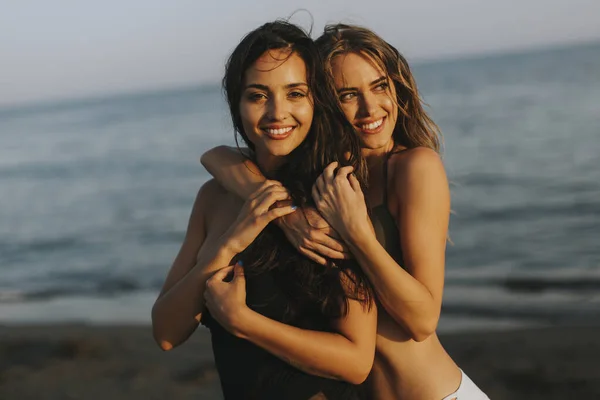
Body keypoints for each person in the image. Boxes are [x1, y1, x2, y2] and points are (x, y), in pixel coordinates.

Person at [201, 24, 490, 400]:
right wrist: (283, 212)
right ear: (321, 101)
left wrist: (358, 234)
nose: (371, 108)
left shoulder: (411, 167)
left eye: (379, 86)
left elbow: (422, 320)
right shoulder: (320, 175)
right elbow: (218, 157)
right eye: (348, 94)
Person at [151, 21, 378, 400]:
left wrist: (244, 323)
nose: (278, 112)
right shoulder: (214, 198)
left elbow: (356, 362)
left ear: (315, 101)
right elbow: (166, 333)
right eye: (258, 95)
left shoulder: (333, 195)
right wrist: (226, 246)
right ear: (236, 105)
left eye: (295, 93)